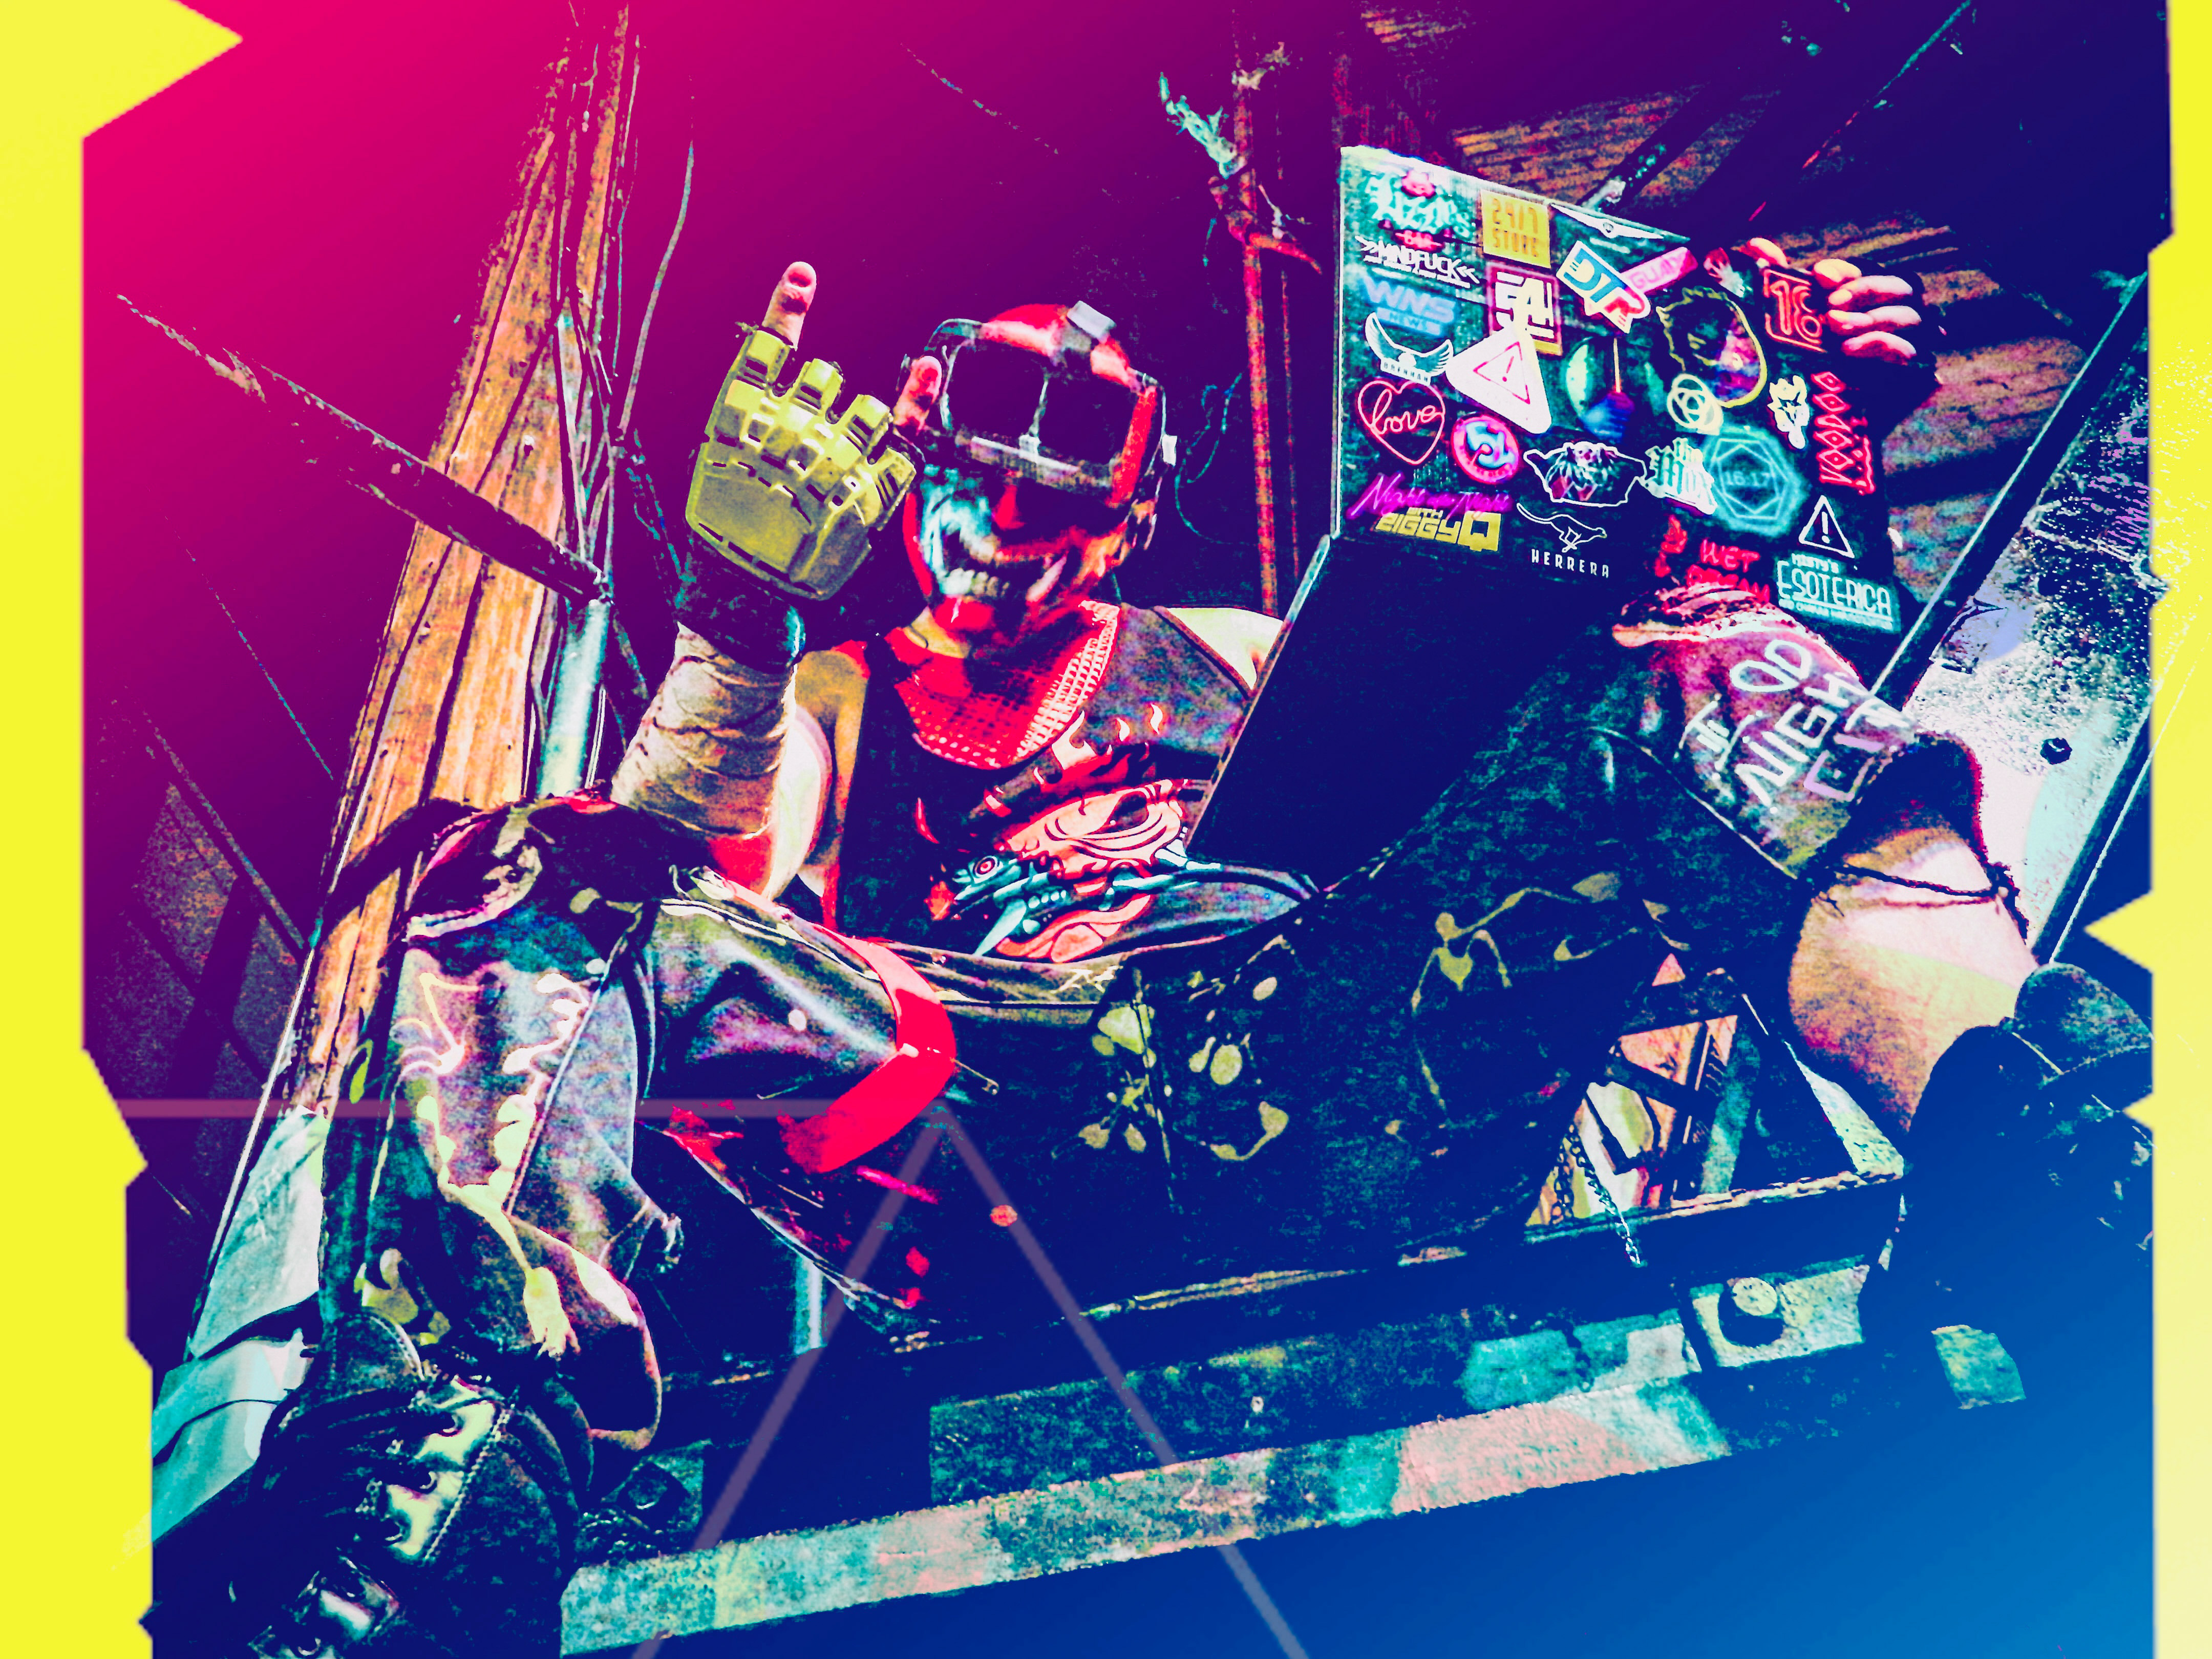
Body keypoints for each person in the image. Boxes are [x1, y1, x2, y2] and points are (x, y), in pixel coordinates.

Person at [161, 251, 2149, 1658]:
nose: (1001, 522)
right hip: (1000, 1115)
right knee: (542, 872)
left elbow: (1536, 783)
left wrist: (1782, 448)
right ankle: (441, 1489)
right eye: (971, 474)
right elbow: (689, 909)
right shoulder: (842, 699)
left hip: (1309, 1049)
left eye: (1054, 488)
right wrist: (737, 631)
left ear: (1121, 512)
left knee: (1701, 687)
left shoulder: (1235, 659)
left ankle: (2040, 1140)